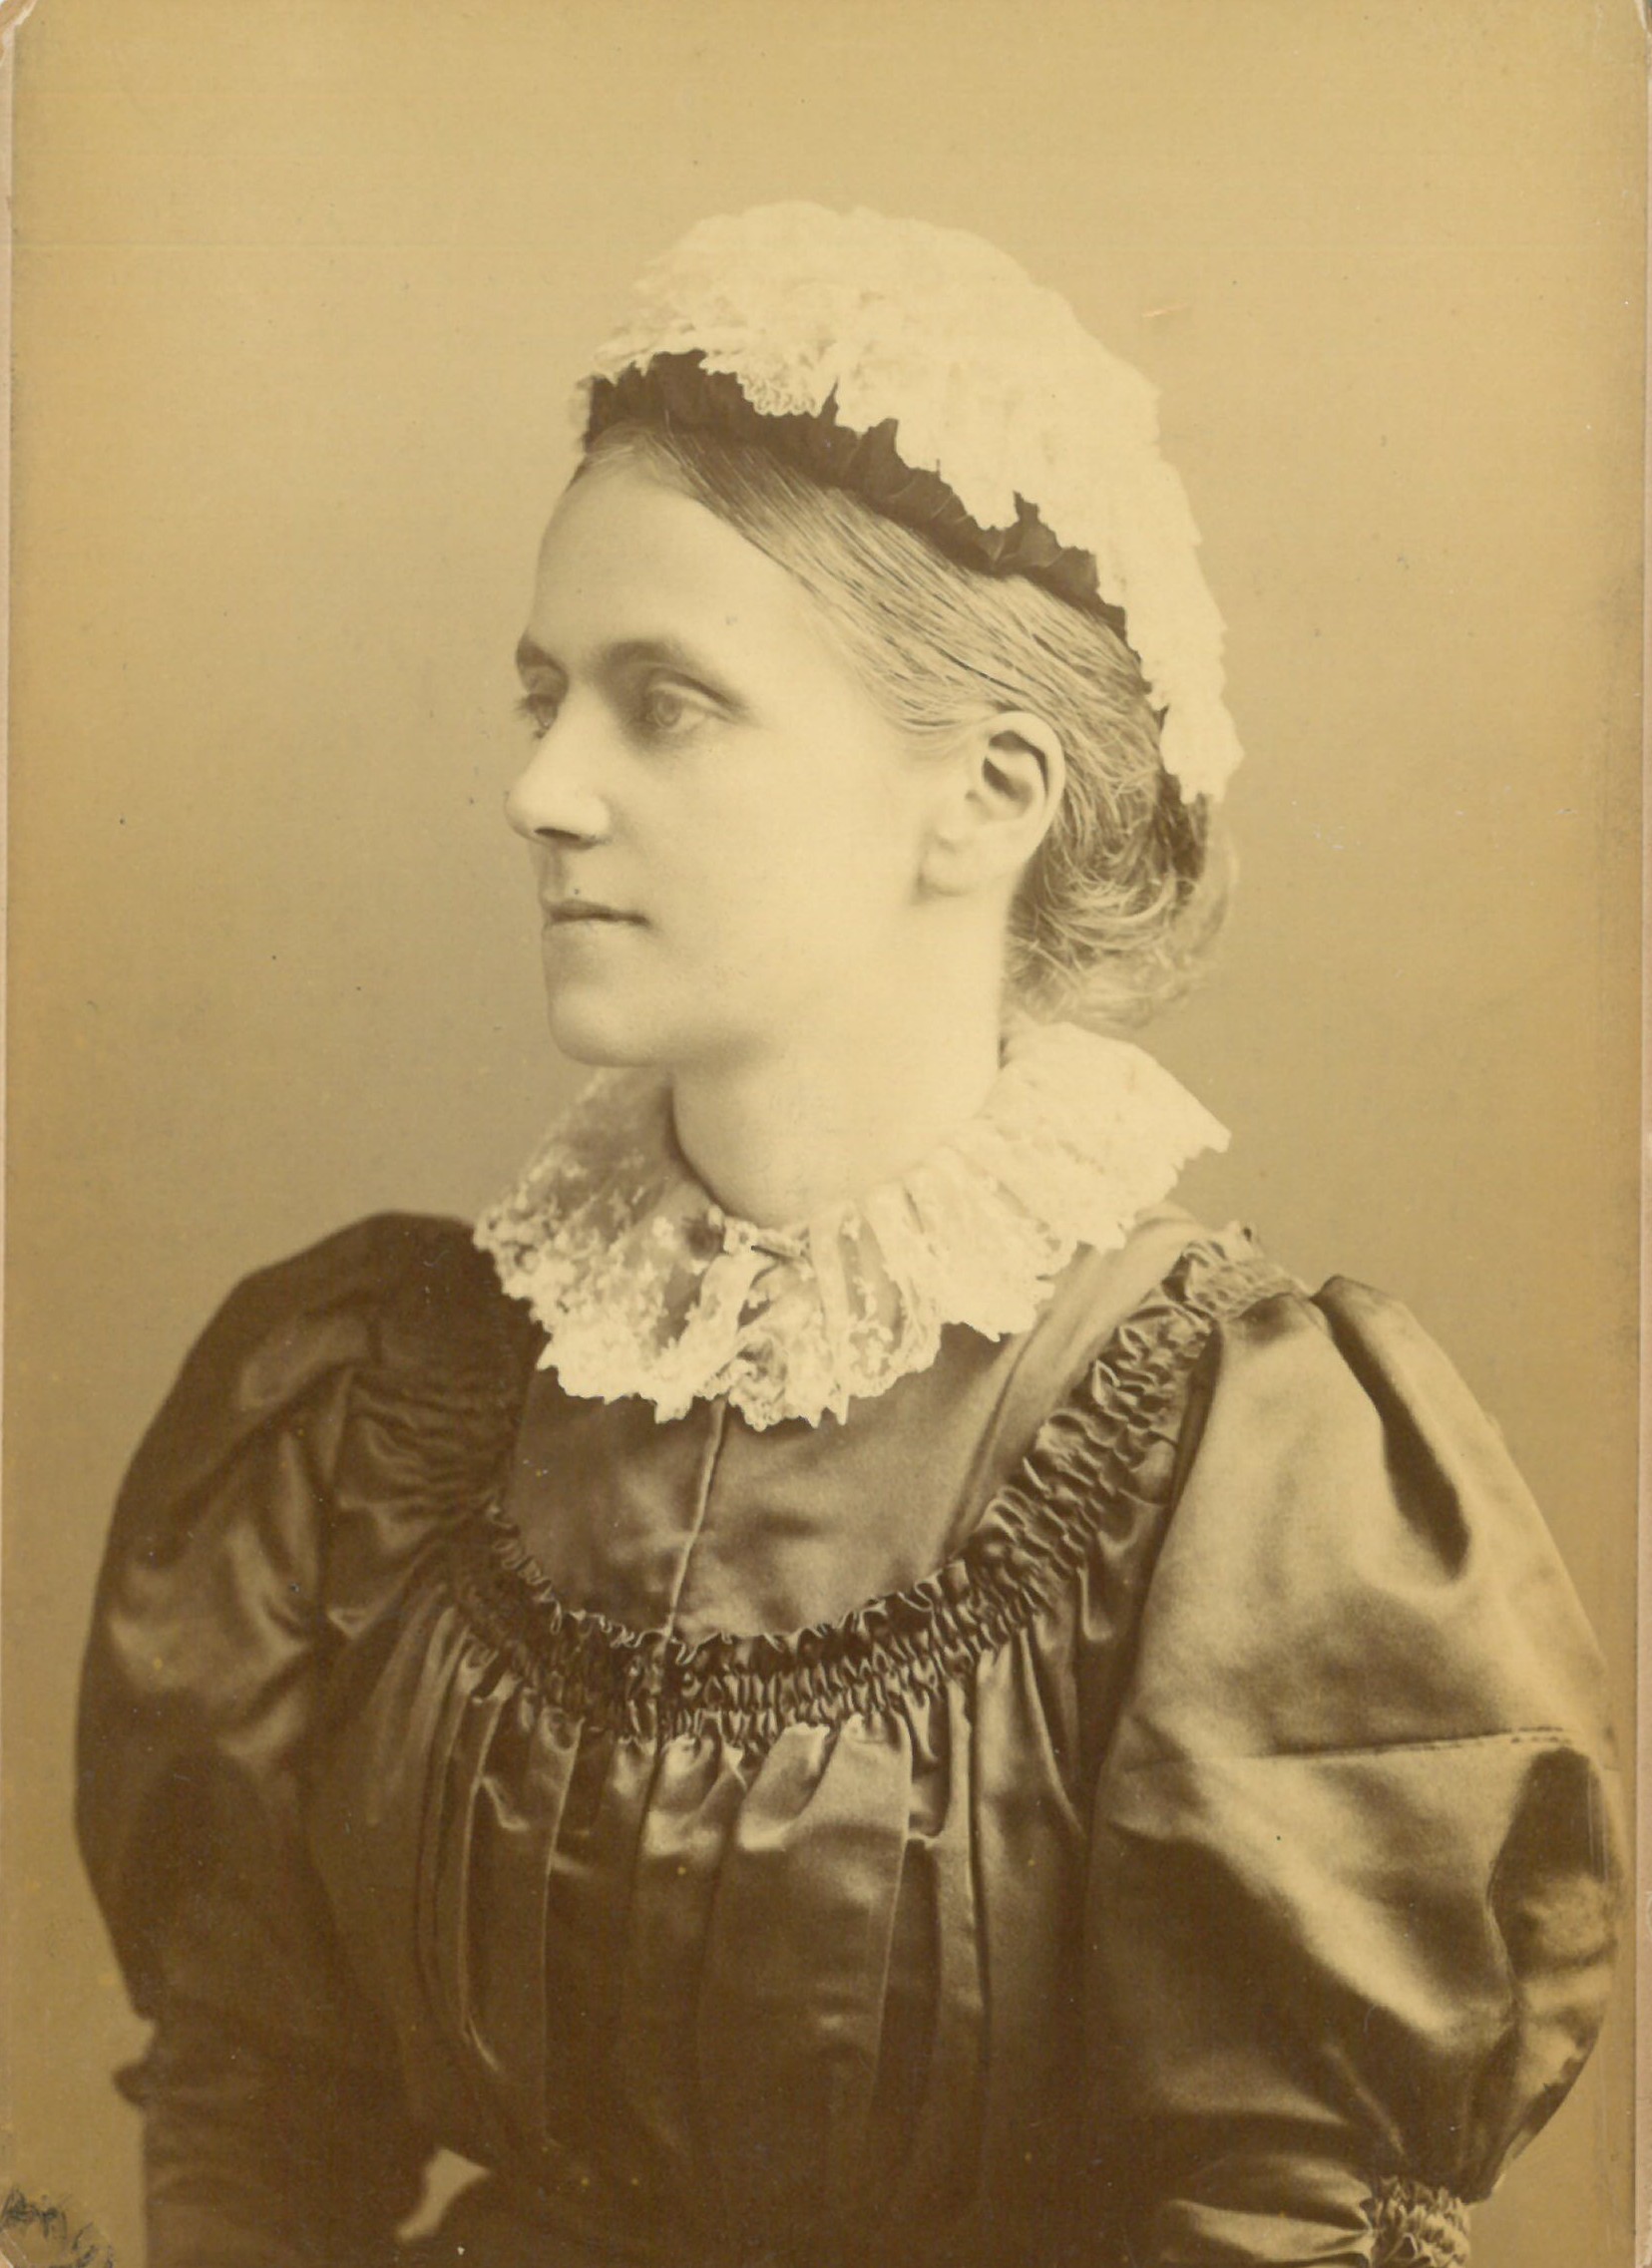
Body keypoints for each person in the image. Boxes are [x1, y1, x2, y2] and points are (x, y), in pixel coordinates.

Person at [75, 204, 1621, 2268]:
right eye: (541, 694)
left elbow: (1282, 2215)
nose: (541, 786)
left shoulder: (1242, 1465)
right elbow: (256, 2117)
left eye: (667, 704)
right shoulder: (373, 1392)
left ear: (981, 798)